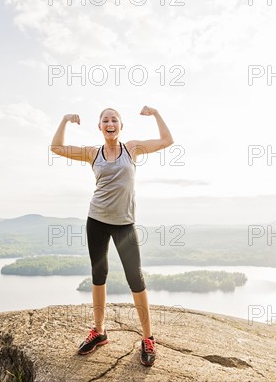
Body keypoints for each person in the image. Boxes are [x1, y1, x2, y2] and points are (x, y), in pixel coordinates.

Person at [50, 105, 174, 366]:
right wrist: (64, 119)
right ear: (100, 127)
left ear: (120, 125)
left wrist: (155, 114)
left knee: (135, 279)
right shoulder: (92, 154)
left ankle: (148, 338)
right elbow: (57, 148)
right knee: (99, 276)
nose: (110, 123)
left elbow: (167, 141)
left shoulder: (132, 148)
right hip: (96, 221)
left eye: (114, 119)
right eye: (105, 120)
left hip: (124, 224)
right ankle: (99, 331)